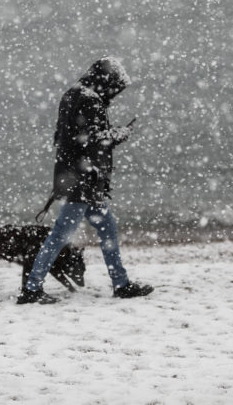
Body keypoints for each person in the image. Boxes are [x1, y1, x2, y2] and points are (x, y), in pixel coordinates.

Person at [17, 56, 153, 304]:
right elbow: (96, 141)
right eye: (114, 86)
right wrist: (119, 134)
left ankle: (120, 283)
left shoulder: (72, 94)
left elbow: (67, 138)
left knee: (107, 228)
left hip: (74, 176)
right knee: (60, 235)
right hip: (84, 180)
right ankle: (31, 288)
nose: (114, 92)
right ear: (106, 81)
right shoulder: (91, 101)